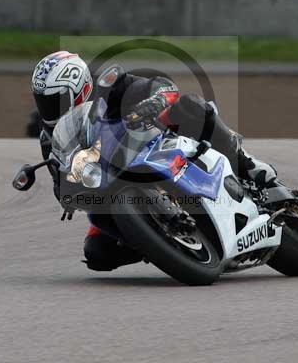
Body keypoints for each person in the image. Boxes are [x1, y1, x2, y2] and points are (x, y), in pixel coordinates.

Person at [30, 51, 277, 271]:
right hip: (110, 181)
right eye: (42, 100)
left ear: (80, 87)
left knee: (190, 107)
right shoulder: (48, 136)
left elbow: (163, 86)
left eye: (55, 99)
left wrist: (155, 102)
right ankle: (158, 239)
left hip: (156, 142)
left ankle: (248, 166)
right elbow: (61, 176)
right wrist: (67, 193)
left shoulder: (110, 87)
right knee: (98, 253)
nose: (48, 107)